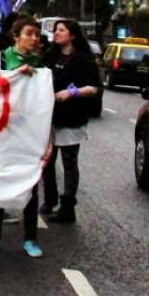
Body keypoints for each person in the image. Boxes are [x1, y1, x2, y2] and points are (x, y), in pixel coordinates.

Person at [0, 16, 48, 258]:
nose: (34, 39)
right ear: (16, 36)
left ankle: (30, 238)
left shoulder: (43, 64)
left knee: (31, 185)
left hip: (30, 132)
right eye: (29, 33)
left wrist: (48, 141)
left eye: (37, 35)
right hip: (3, 130)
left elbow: (46, 103)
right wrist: (16, 75)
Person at [40, 19, 101, 225]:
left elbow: (94, 87)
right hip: (49, 117)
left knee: (69, 162)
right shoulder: (49, 56)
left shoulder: (83, 59)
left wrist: (72, 92)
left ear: (72, 35)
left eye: (61, 30)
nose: (56, 33)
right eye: (55, 30)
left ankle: (68, 208)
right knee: (47, 161)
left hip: (71, 118)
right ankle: (49, 200)